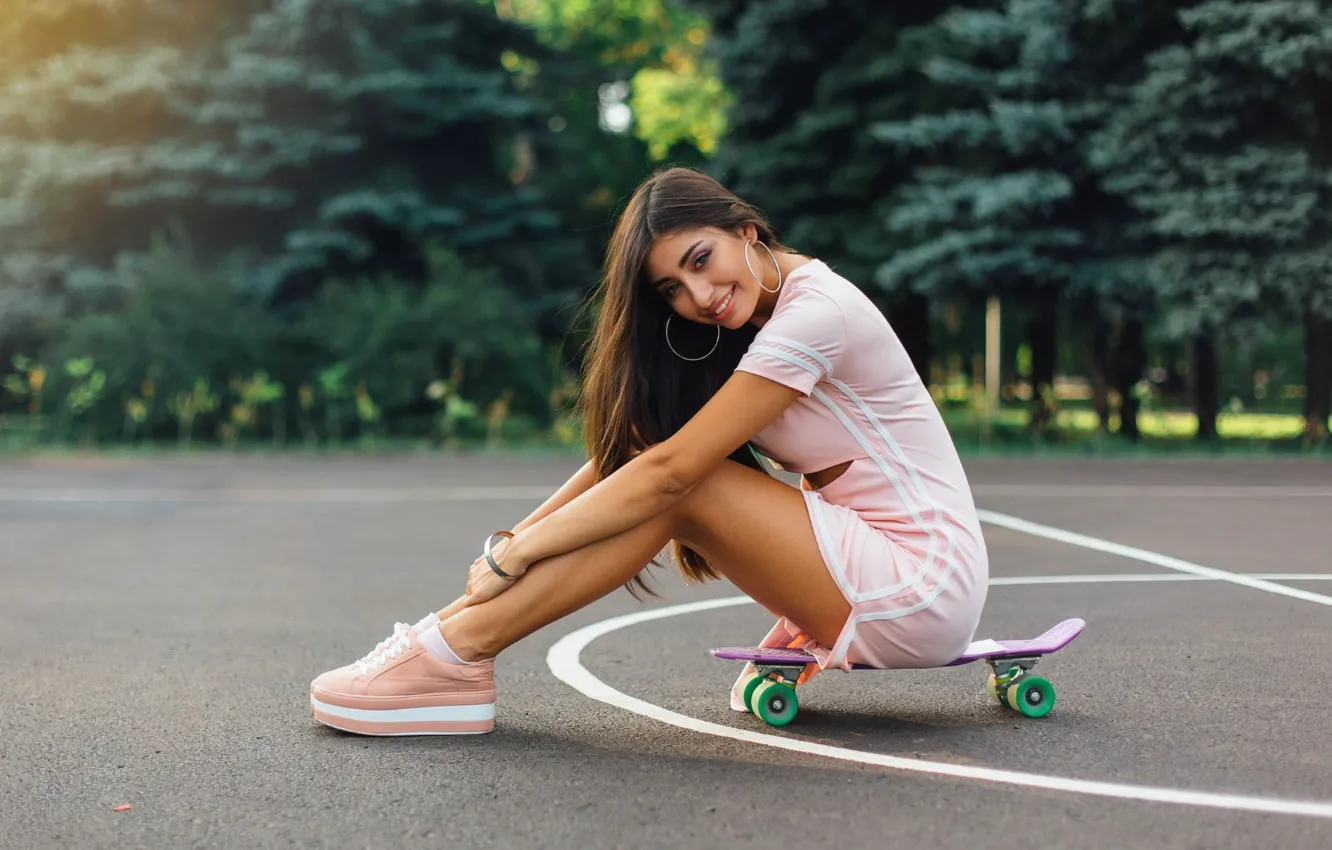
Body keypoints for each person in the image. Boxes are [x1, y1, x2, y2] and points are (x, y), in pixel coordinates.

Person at [308, 166, 990, 736]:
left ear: (745, 230)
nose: (700, 297)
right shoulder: (748, 324)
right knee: (669, 470)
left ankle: (456, 658)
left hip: (923, 584)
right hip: (874, 572)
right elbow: (632, 456)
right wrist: (514, 541)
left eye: (701, 261)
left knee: (686, 484)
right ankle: (439, 642)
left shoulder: (818, 314)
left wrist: (516, 554)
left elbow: (670, 473)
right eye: (672, 289)